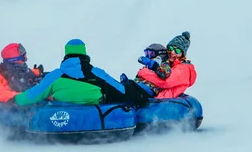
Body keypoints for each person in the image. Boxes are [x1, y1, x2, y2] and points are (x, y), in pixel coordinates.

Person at [14, 39, 149, 106]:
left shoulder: (55, 75)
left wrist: (14, 99)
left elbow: (31, 96)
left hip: (61, 114)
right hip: (96, 110)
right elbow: (121, 91)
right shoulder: (97, 72)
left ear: (66, 53)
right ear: (84, 52)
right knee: (129, 85)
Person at [133, 31, 197, 99]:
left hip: (162, 101)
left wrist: (143, 72)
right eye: (170, 48)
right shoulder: (169, 64)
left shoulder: (183, 68)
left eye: (177, 51)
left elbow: (165, 83)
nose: (172, 52)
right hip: (158, 99)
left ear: (183, 54)